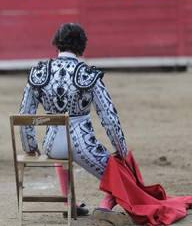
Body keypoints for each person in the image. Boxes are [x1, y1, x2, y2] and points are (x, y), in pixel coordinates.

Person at [19, 23, 128, 215]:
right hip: (83, 145)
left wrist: (29, 146)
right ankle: (105, 206)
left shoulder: (39, 72)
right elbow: (109, 118)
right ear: (82, 45)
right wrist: (121, 151)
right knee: (122, 175)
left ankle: (68, 202)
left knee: (61, 156)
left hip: (51, 146)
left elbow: (25, 115)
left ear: (57, 43)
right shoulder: (88, 74)